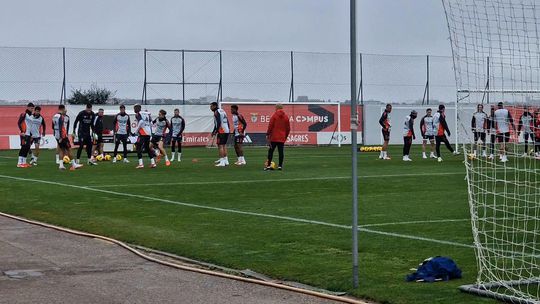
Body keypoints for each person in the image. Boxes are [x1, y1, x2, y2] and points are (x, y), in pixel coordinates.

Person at [52, 105, 82, 170]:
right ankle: (74, 164)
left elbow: (53, 126)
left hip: (57, 135)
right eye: (65, 109)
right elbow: (60, 126)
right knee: (69, 149)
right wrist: (61, 137)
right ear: (62, 109)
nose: (65, 110)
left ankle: (61, 165)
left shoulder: (54, 116)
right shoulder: (61, 117)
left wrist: (57, 135)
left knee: (62, 149)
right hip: (62, 136)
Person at [265, 104, 290, 171]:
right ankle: (280, 166)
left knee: (271, 151)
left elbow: (270, 126)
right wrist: (285, 136)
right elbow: (288, 128)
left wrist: (267, 134)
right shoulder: (286, 117)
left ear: (276, 108)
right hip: (282, 137)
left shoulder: (274, 116)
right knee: (281, 152)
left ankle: (268, 166)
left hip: (273, 137)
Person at [133, 104, 156, 169]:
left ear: (137, 108)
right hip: (148, 133)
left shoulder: (138, 114)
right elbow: (151, 123)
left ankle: (141, 164)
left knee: (138, 147)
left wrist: (136, 131)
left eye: (134, 108)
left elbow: (140, 122)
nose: (134, 110)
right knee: (147, 148)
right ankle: (153, 163)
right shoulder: (147, 113)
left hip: (142, 133)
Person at [210, 102, 230, 167]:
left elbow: (218, 122)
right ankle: (226, 160)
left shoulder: (216, 112)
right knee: (224, 145)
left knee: (220, 146)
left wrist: (215, 131)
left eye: (211, 106)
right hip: (226, 130)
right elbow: (227, 121)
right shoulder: (222, 111)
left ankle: (222, 162)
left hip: (221, 130)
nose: (210, 108)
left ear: (215, 106)